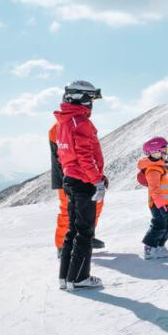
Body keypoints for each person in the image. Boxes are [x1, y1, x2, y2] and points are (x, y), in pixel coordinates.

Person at [54, 80, 106, 291]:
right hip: (83, 181)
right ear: (81, 98)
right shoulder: (81, 122)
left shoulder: (64, 122)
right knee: (85, 231)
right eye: (90, 99)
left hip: (70, 179)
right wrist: (97, 180)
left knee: (73, 229)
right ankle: (79, 277)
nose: (91, 103)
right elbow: (85, 156)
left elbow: (64, 154)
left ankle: (65, 277)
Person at [49, 123, 105, 256]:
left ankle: (86, 237)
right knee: (67, 211)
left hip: (85, 175)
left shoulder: (79, 122)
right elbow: (62, 156)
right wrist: (67, 179)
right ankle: (63, 244)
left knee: (92, 207)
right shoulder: (61, 126)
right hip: (70, 177)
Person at [138, 137, 168, 259]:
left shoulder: (163, 166)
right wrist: (161, 207)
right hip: (158, 204)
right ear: (155, 152)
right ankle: (149, 247)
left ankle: (159, 245)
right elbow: (155, 191)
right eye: (164, 150)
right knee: (159, 226)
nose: (166, 152)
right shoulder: (154, 169)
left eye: (166, 149)